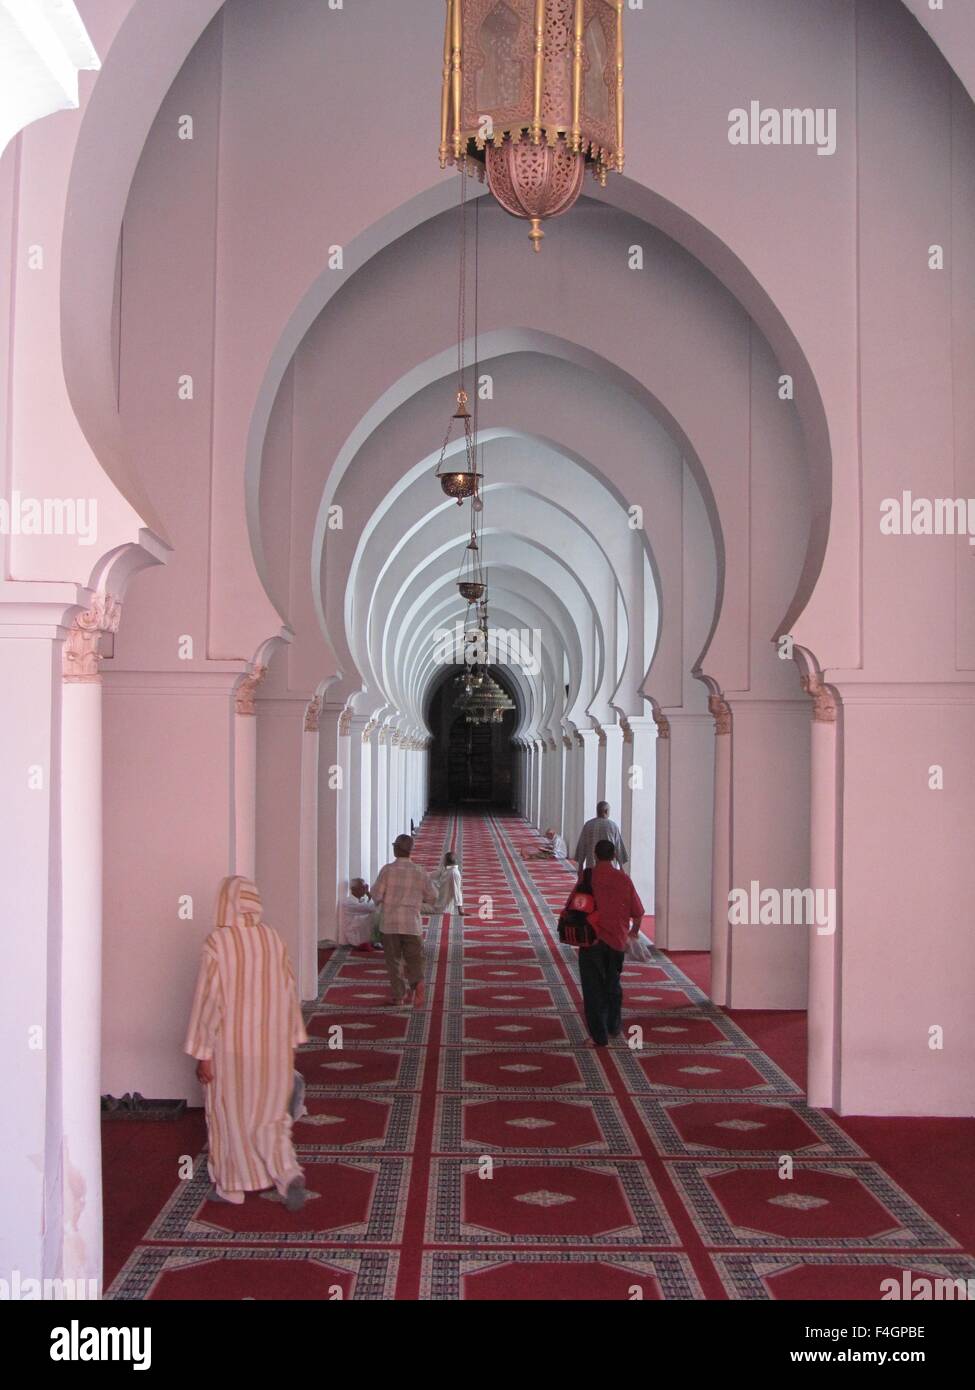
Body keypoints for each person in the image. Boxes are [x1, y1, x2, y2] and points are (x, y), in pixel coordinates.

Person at [184, 876, 308, 1210]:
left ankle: (231, 1187)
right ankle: (287, 1173)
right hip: (274, 1047)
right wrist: (293, 1037)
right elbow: (288, 990)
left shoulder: (218, 944)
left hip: (233, 1050)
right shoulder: (273, 939)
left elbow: (209, 1001)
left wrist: (202, 1053)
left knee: (231, 1116)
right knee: (271, 1117)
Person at [574, 840, 645, 1047]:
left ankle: (599, 1036)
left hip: (591, 941)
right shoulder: (623, 880)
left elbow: (577, 908)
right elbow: (638, 913)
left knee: (592, 989)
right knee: (612, 984)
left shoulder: (587, 878)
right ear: (614, 856)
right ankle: (613, 1026)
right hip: (616, 942)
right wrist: (633, 932)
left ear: (595, 856)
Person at [372, 834, 437, 1007]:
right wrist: (417, 900)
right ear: (410, 850)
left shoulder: (387, 870)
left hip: (390, 923)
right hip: (412, 924)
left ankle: (399, 996)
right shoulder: (420, 872)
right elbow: (433, 896)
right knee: (414, 959)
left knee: (393, 961)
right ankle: (418, 983)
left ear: (396, 849)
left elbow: (377, 895)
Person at [574, 801, 629, 870]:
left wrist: (580, 865)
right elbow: (618, 846)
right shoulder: (613, 826)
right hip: (609, 866)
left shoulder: (588, 825)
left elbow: (582, 845)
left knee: (593, 880)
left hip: (592, 865)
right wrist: (621, 866)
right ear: (606, 811)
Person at [337, 877, 382, 953]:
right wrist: (371, 895)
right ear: (354, 889)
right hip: (354, 935)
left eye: (365, 887)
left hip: (359, 930)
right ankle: (378, 941)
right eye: (363, 887)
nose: (365, 889)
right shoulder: (349, 902)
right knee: (377, 916)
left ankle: (378, 941)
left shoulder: (360, 900)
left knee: (378, 914)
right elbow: (372, 908)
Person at [433, 851, 464, 915]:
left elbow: (457, 892)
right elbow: (432, 876)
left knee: (417, 906)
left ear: (447, 861)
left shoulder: (454, 873)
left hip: (442, 908)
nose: (442, 861)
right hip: (437, 898)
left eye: (444, 860)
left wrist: (460, 910)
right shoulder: (445, 868)